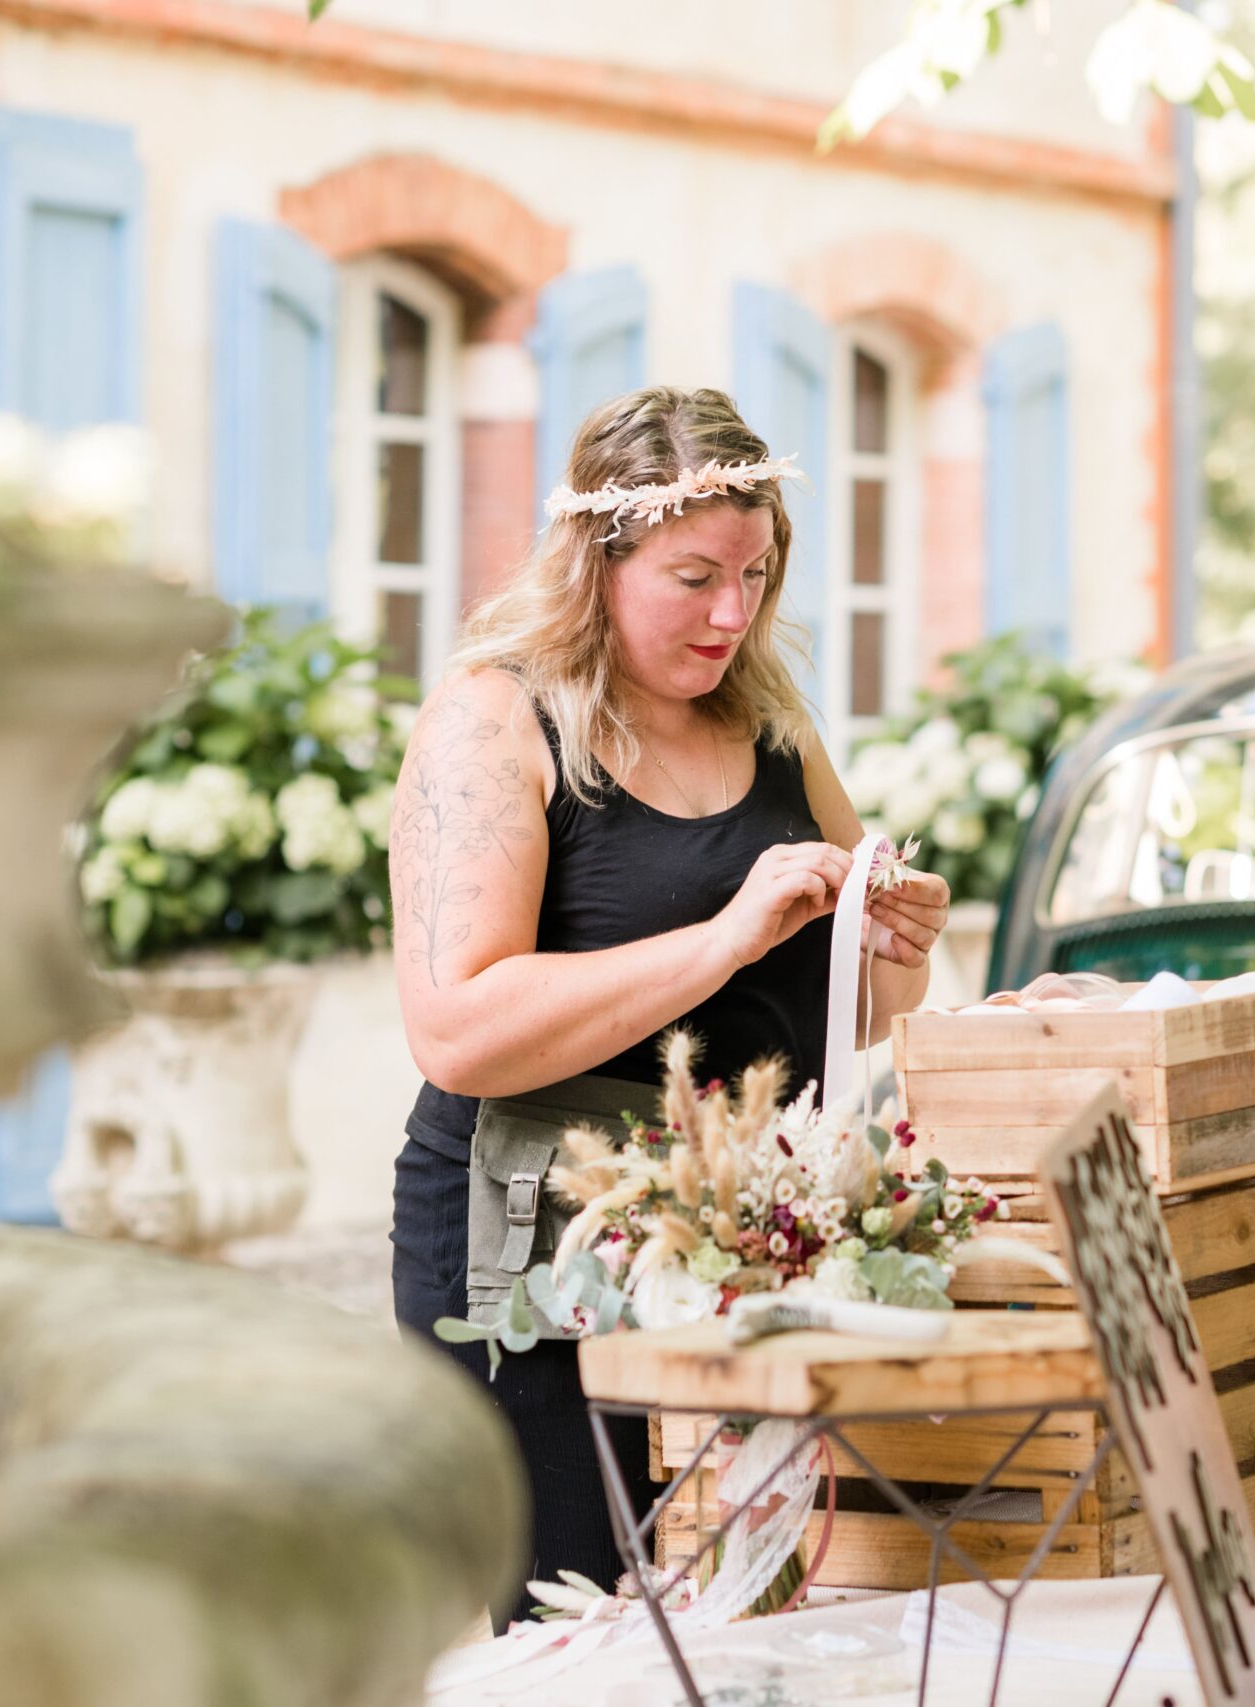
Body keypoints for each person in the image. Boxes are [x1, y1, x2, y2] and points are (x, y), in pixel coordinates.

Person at [387, 386, 951, 1620]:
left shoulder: (773, 727)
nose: (733, 612)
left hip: (747, 1247)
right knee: (584, 1634)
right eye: (694, 576)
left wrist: (893, 939)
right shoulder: (496, 720)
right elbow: (457, 1026)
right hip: (536, 1253)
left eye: (755, 572)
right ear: (598, 561)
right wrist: (722, 937)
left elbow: (856, 1010)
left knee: (757, 1629)